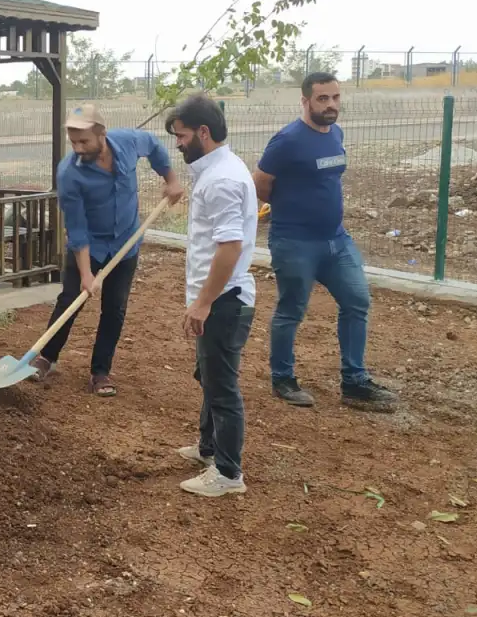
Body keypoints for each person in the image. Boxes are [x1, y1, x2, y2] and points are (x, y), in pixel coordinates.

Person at [253, 72, 397, 411]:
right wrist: (288, 209)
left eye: (335, 97)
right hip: (294, 242)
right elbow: (260, 182)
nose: (331, 105)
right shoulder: (287, 140)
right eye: (322, 99)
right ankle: (283, 379)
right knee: (292, 309)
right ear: (305, 101)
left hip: (336, 240)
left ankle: (354, 382)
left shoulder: (336, 134)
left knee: (357, 301)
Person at [34, 103, 184, 394]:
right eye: (73, 141)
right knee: (70, 299)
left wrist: (171, 179)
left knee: (114, 309)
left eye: (84, 141)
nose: (78, 148)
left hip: (126, 242)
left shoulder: (128, 141)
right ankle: (45, 358)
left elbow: (153, 146)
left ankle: (101, 372)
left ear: (102, 134)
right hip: (91, 244)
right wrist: (86, 273)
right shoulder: (69, 174)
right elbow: (76, 228)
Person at [166, 96, 258, 498]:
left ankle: (227, 472)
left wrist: (203, 302)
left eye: (182, 136)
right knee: (208, 376)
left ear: (203, 133)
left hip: (223, 300)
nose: (178, 145)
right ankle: (208, 449)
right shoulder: (219, 171)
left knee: (221, 387)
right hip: (219, 296)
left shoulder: (221, 180)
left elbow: (229, 247)